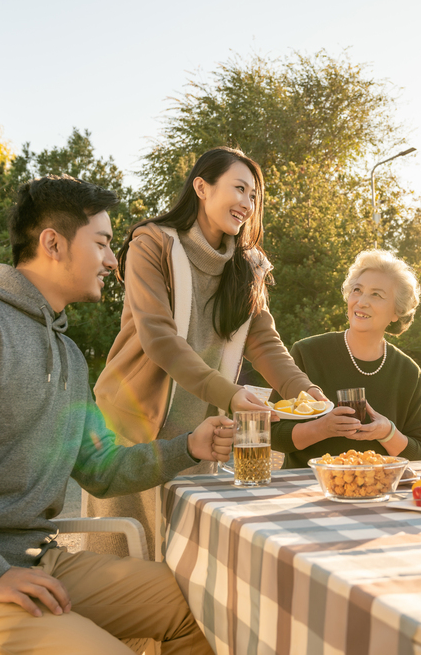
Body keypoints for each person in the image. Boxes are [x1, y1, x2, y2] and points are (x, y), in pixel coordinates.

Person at [0, 175, 231, 654]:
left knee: (213, 611)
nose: (111, 261)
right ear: (53, 243)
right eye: (102, 243)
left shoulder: (68, 356)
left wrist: (187, 447)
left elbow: (100, 469)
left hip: (39, 562)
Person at [86, 146, 324, 557]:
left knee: (186, 566)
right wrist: (232, 396)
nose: (248, 204)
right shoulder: (151, 244)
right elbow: (159, 338)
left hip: (200, 439)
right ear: (201, 187)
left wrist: (305, 393)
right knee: (122, 560)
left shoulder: (248, 265)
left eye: (254, 196)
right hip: (133, 431)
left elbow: (264, 341)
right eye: (239, 189)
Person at [271, 250, 421, 468]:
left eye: (377, 294)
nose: (362, 302)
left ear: (397, 311)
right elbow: (271, 433)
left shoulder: (408, 373)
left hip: (376, 490)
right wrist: (322, 428)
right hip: (306, 492)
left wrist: (387, 433)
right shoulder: (307, 353)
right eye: (357, 290)